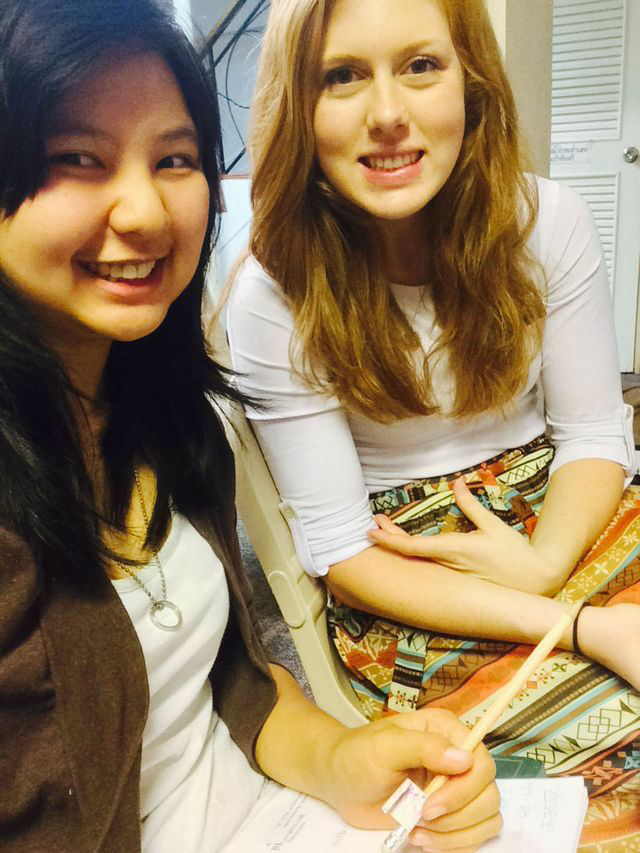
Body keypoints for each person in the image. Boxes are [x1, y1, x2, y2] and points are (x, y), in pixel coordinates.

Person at [0, 1, 502, 851]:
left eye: (175, 159)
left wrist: (345, 756)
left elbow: (239, 681)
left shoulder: (168, 416)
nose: (145, 212)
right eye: (76, 159)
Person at [226, 0, 640, 847]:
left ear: (472, 81)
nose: (388, 114)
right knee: (569, 790)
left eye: (421, 65)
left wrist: (540, 562)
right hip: (411, 568)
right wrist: (576, 621)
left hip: (566, 511)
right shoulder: (274, 291)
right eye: (342, 76)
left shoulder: (547, 220)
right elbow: (345, 556)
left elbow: (597, 436)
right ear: (298, 106)